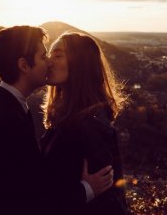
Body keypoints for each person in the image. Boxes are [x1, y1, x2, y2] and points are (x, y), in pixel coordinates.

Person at [0, 26, 114, 215]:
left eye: (55, 55)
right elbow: (23, 199)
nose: (48, 62)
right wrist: (86, 190)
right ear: (24, 66)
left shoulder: (10, 107)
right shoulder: (4, 117)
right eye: (43, 56)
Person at [42, 32, 129, 215]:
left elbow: (109, 200)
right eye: (49, 56)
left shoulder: (89, 125)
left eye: (57, 55)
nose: (49, 62)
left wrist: (86, 191)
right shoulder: (68, 118)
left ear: (80, 64)